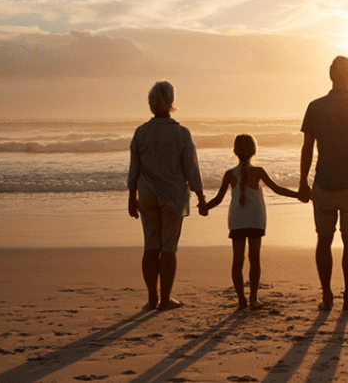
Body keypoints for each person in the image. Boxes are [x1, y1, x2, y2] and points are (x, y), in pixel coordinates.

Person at [299, 56, 348, 311]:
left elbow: (307, 149)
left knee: (324, 240)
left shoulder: (315, 107)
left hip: (323, 183)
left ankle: (326, 295)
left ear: (330, 75)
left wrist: (303, 182)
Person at [127, 81, 206, 311]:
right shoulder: (181, 133)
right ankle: (165, 299)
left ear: (151, 103)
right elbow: (191, 169)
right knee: (168, 248)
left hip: (147, 195)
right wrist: (201, 197)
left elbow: (134, 169)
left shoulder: (141, 132)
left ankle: (152, 298)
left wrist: (132, 197)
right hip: (173, 196)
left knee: (151, 246)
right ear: (171, 102)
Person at [204, 134, 300, 310]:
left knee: (237, 260)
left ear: (235, 152)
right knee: (254, 259)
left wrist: (205, 207)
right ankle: (254, 298)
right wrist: (298, 195)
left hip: (237, 220)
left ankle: (241, 300)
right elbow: (277, 189)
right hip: (256, 220)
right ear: (254, 151)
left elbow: (217, 199)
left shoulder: (229, 174)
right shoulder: (258, 171)